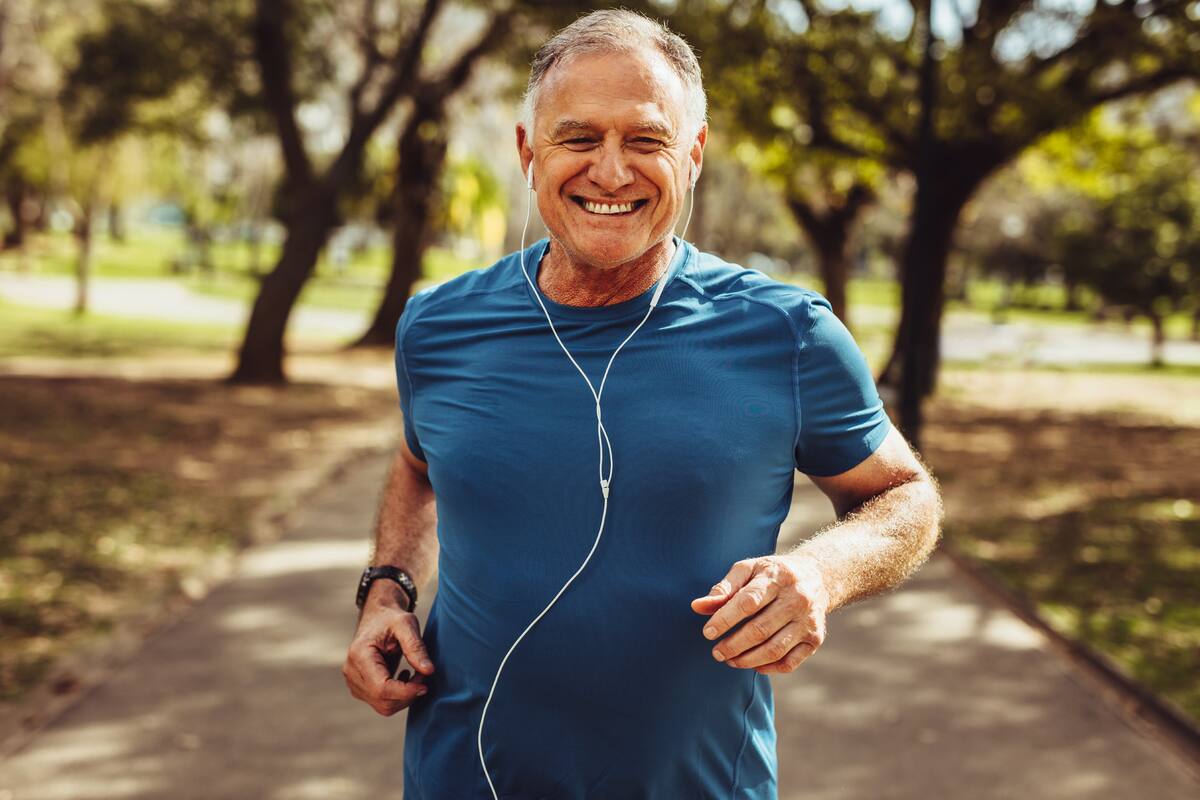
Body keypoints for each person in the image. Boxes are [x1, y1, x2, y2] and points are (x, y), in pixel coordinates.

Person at [342, 9, 943, 799]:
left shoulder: (788, 333)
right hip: (461, 776)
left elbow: (906, 498)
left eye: (646, 140)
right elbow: (420, 464)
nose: (612, 172)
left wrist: (819, 574)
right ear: (530, 151)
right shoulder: (438, 325)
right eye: (579, 138)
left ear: (692, 155)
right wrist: (387, 591)